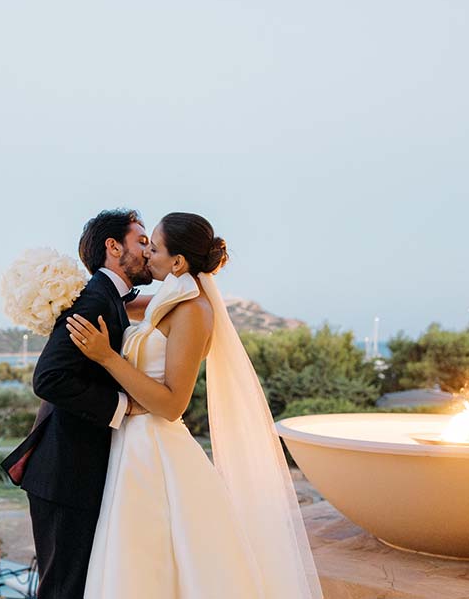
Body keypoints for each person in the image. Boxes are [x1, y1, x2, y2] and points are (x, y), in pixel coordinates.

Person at [67, 212, 323, 599]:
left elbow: (173, 403)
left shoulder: (193, 310)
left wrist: (107, 357)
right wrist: (65, 296)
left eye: (154, 248)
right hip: (132, 444)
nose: (147, 254)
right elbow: (120, 303)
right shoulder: (170, 298)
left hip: (155, 449)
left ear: (177, 262)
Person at [2, 208, 153, 599]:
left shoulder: (108, 296)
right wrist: (123, 406)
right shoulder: (94, 300)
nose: (149, 249)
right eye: (141, 241)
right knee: (63, 590)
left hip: (77, 471)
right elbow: (48, 378)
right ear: (113, 247)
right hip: (66, 474)